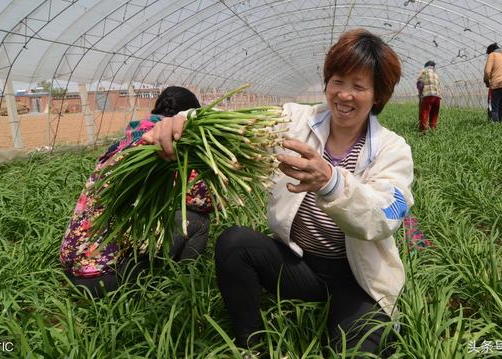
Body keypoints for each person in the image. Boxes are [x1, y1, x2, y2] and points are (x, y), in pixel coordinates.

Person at [143, 29, 414, 357]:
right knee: (234, 243)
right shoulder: (296, 120)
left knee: (357, 351)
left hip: (356, 277)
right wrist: (183, 121)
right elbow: (229, 123)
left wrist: (331, 181)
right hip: (300, 264)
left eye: (359, 86)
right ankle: (253, 347)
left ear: (378, 95)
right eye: (338, 81)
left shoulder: (391, 149)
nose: (344, 95)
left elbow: (385, 215)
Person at [59, 86, 213, 298]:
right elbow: (204, 200)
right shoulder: (166, 144)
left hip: (72, 262)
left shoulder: (129, 139)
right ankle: (179, 287)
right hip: (102, 279)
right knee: (198, 219)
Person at [484, 43, 502, 122]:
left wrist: (486, 81)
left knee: (494, 108)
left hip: (496, 84)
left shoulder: (492, 55)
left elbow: (487, 72)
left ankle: (495, 127)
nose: (488, 55)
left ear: (490, 51)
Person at [416, 60, 441, 133]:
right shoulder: (436, 74)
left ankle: (422, 131)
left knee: (424, 113)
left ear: (426, 66)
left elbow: (420, 83)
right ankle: (433, 130)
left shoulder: (424, 71)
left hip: (427, 95)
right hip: (437, 97)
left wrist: (420, 94)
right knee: (434, 114)